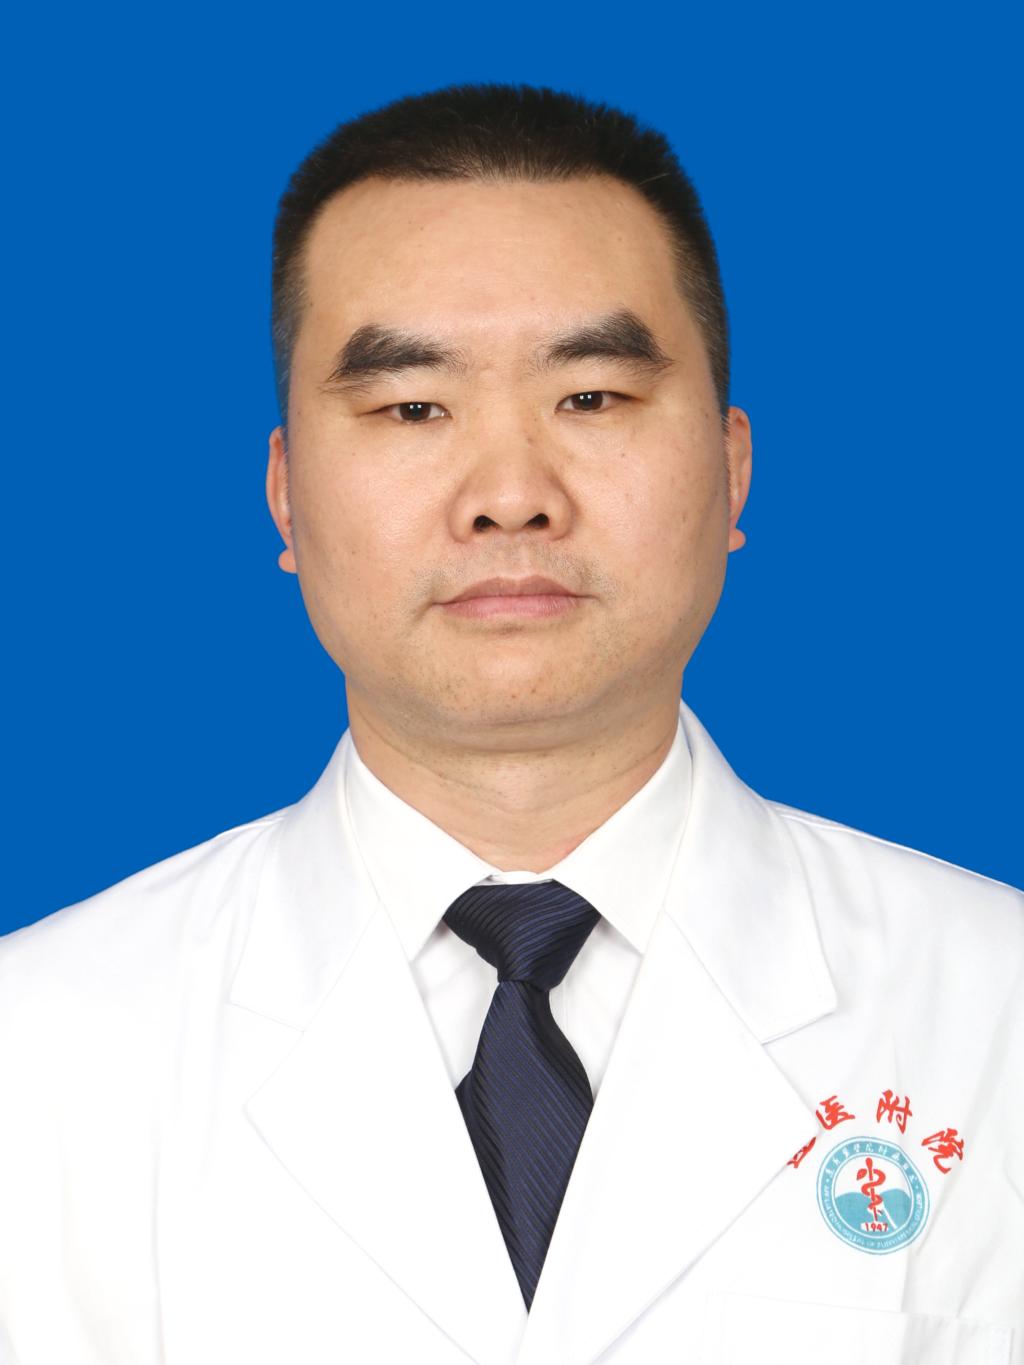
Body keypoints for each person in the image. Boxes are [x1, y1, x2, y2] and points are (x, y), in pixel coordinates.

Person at [0, 83, 1020, 1365]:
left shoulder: (996, 1009)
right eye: (410, 407)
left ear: (731, 470)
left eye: (590, 397)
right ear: (285, 495)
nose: (510, 495)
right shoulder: (38, 1046)